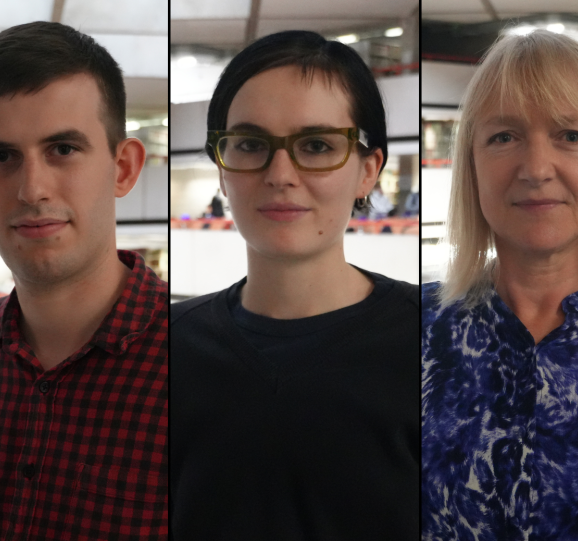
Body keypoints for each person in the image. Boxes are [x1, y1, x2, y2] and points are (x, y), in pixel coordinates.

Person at [0, 22, 167, 540]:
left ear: (123, 168)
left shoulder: (203, 356)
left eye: (63, 149)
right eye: (2, 157)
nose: (32, 189)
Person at [170, 31, 419, 539]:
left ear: (368, 171)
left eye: (317, 145)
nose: (280, 173)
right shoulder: (166, 345)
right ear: (222, 169)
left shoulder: (438, 341)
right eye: (250, 144)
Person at [421, 31, 578, 540]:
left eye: (570, 136)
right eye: (503, 137)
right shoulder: (414, 330)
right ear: (471, 164)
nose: (535, 169)